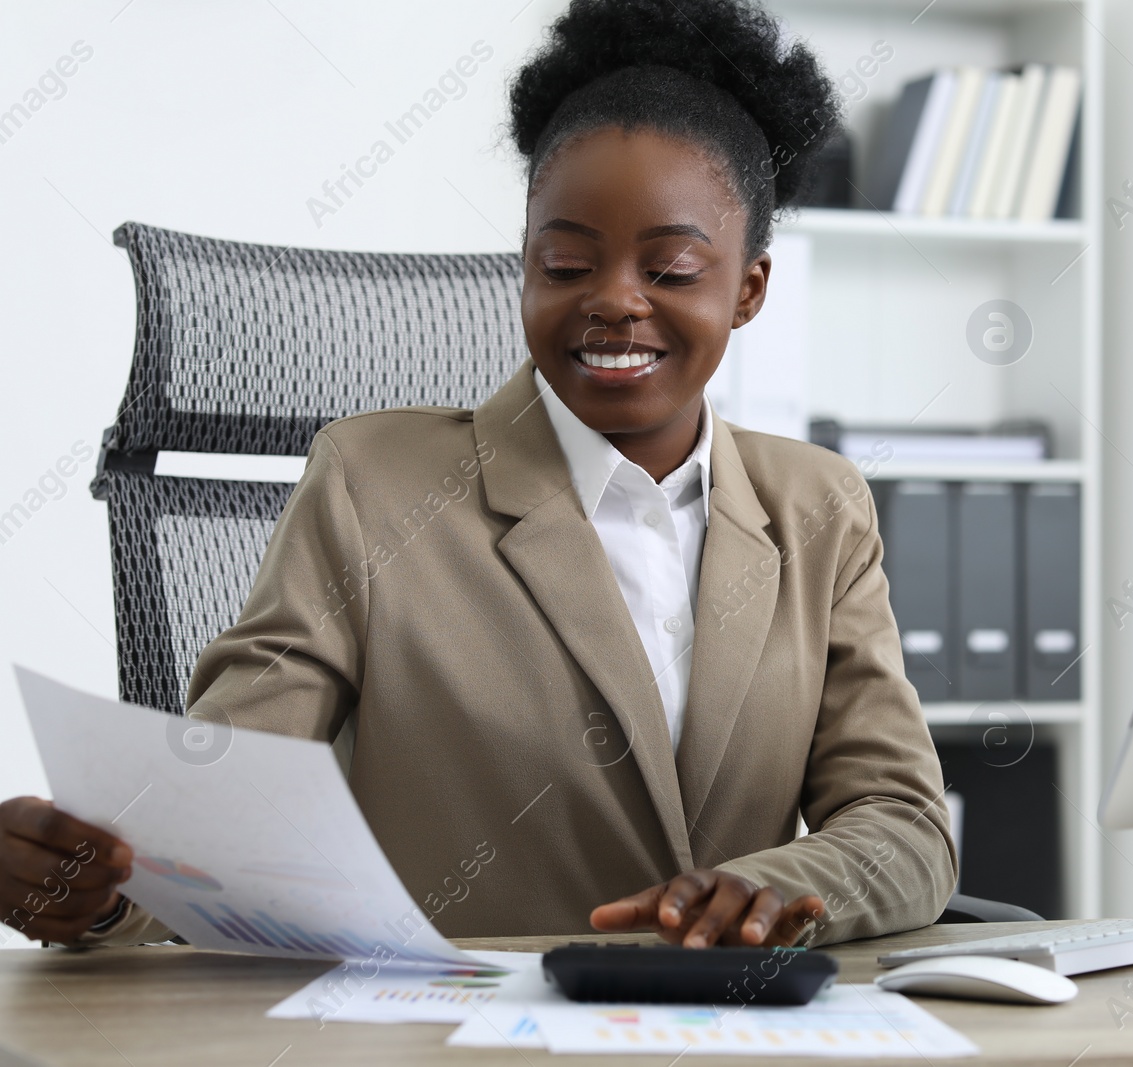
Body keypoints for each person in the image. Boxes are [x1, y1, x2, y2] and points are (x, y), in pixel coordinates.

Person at [0, 0, 955, 952]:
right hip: (455, 1038)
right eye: (566, 261)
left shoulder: (819, 507)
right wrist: (105, 886)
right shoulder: (371, 482)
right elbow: (227, 796)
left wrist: (767, 887)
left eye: (669, 270)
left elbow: (903, 823)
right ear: (526, 269)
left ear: (747, 290)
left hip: (743, 1033)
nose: (615, 299)